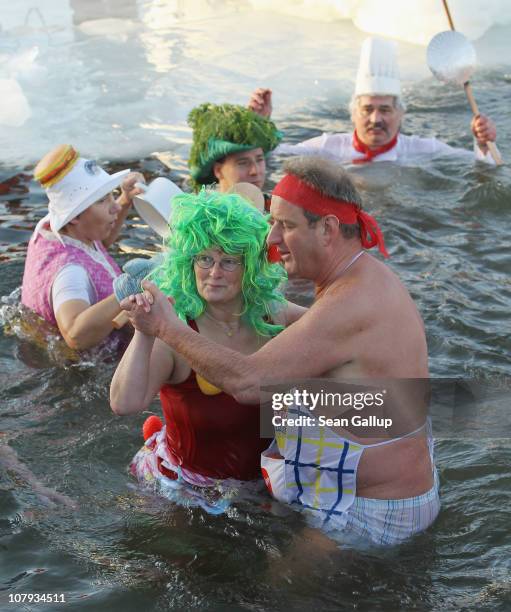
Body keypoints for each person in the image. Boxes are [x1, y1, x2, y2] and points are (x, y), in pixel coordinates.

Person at [121, 155, 440, 545]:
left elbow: (248, 382)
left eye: (285, 225)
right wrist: (150, 333)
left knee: (278, 593)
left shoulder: (325, 306)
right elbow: (124, 401)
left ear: (327, 228)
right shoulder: (361, 285)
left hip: (369, 508)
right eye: (204, 258)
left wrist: (165, 329)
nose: (272, 239)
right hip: (209, 489)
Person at [110, 190, 306, 509]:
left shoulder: (272, 312)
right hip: (187, 490)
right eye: (204, 258)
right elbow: (123, 403)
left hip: (263, 484)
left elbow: (337, 334)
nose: (214, 272)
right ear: (189, 261)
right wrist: (143, 333)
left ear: (251, 266)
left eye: (228, 260)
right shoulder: (174, 329)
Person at [249, 37, 499, 165]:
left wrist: (483, 143)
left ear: (401, 114)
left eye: (385, 110)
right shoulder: (328, 148)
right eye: (367, 109)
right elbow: (272, 155)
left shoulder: (423, 150)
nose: (375, 119)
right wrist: (259, 125)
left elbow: (483, 165)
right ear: (353, 113)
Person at [21, 144, 145, 351]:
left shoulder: (57, 228)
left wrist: (126, 199)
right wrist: (130, 288)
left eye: (111, 194)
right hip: (91, 370)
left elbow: (98, 247)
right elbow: (75, 335)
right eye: (103, 200)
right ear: (75, 216)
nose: (114, 206)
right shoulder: (70, 273)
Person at [188, 102, 281, 208]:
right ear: (218, 170)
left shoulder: (275, 211)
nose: (255, 171)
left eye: (259, 160)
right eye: (243, 163)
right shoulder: (205, 217)